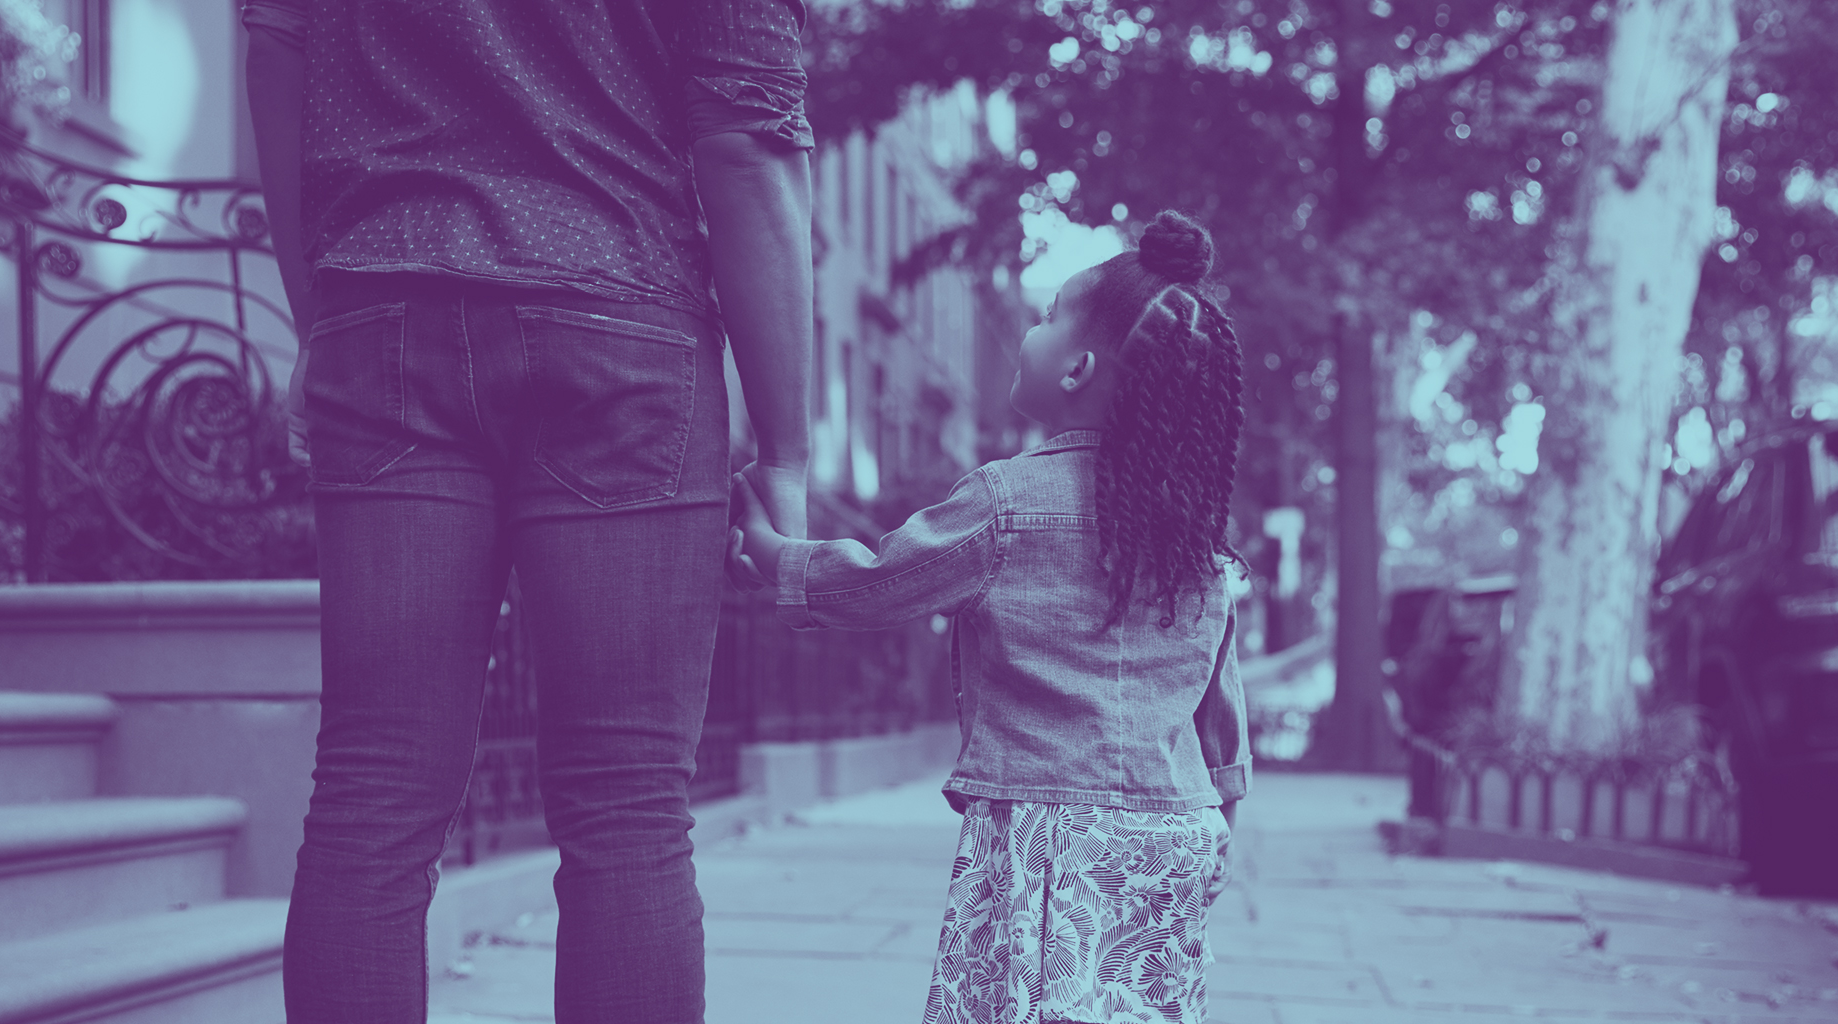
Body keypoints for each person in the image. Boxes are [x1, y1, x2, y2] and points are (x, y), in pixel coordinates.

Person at [238, 2, 815, 1022]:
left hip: (387, 304)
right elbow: (745, 147)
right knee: (628, 807)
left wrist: (319, 321)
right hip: (621, 318)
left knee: (372, 796)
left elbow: (277, 55)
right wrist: (788, 450)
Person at [732, 209, 1253, 1024]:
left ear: (1078, 368)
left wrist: (771, 551)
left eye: (1046, 317)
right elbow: (1217, 693)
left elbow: (878, 582)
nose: (1030, 329)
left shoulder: (1005, 502)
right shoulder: (1195, 539)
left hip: (1050, 828)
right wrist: (1222, 806)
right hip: (1177, 829)